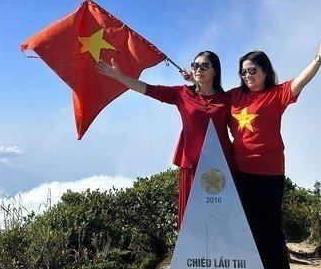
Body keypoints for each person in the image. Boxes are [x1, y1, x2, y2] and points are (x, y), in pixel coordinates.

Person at [229, 31, 321, 269]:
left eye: (253, 70)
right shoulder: (234, 96)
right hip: (239, 171)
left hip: (269, 172)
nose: (248, 76)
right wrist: (194, 81)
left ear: (265, 71)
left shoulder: (276, 94)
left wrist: (320, 56)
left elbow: (302, 81)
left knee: (269, 227)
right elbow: (209, 100)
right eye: (244, 72)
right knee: (245, 226)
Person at [96, 51, 233, 228]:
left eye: (204, 66)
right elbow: (148, 89)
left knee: (224, 222)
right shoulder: (182, 94)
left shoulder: (227, 99)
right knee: (194, 226)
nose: (198, 69)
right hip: (191, 168)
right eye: (195, 65)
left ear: (215, 71)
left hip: (222, 167)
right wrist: (119, 77)